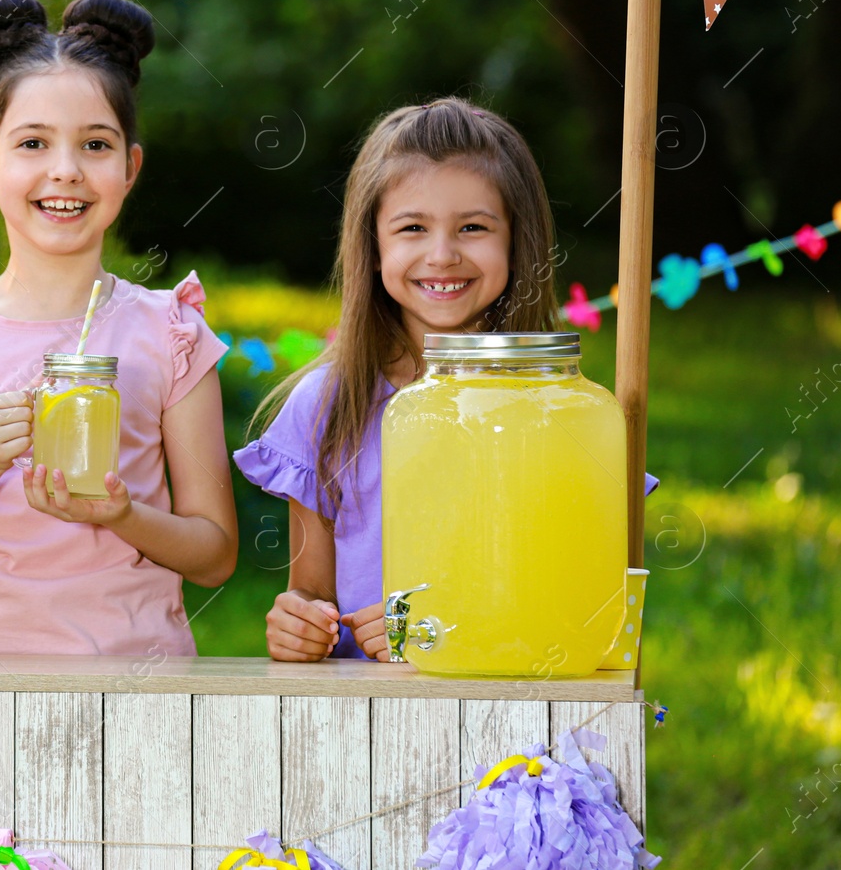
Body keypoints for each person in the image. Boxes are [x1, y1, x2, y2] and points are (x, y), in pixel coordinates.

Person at [0, 0, 237, 656]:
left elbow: (214, 555)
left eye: (95, 144)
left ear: (129, 168)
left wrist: (123, 514)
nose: (65, 170)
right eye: (33, 143)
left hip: (138, 690)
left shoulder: (169, 333)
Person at [235, 97, 655, 662]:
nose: (442, 254)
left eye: (473, 227)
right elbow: (312, 594)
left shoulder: (561, 415)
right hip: (363, 720)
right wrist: (299, 623)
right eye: (412, 227)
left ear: (516, 239)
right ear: (373, 244)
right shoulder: (328, 405)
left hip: (518, 709)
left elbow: (587, 598)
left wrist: (449, 627)